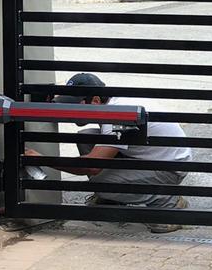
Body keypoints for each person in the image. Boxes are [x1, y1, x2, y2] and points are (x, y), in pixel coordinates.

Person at [26, 73, 192, 233]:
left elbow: (91, 167)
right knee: (86, 137)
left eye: (76, 104)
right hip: (150, 156)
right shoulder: (113, 105)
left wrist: (42, 159)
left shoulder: (117, 115)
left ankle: (168, 202)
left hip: (168, 169)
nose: (71, 109)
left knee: (100, 184)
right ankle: (114, 198)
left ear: (96, 100)